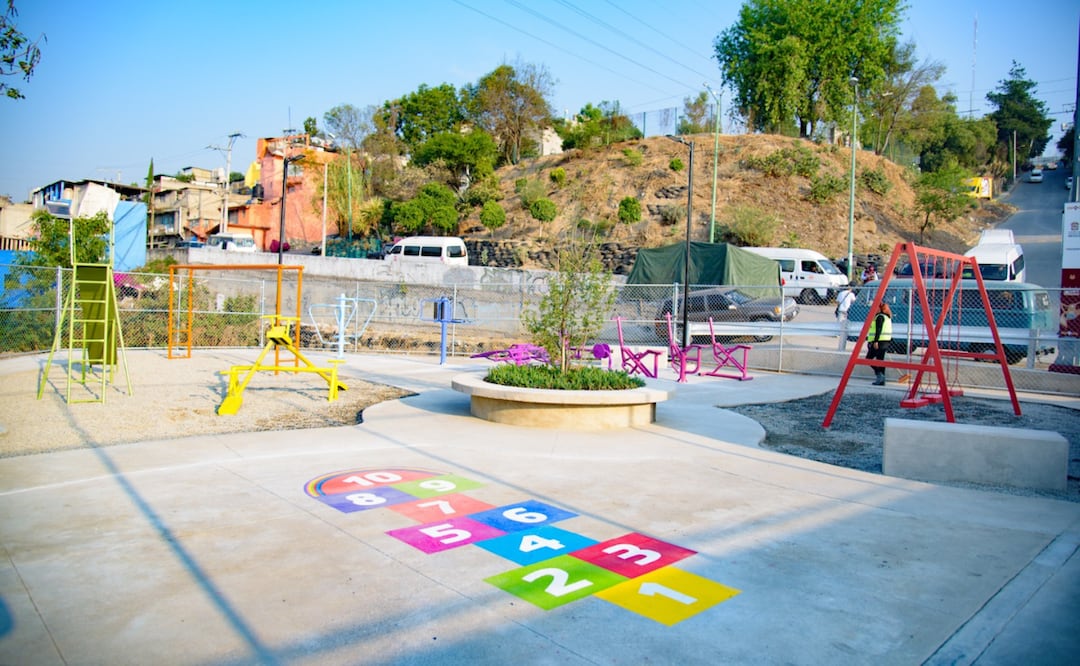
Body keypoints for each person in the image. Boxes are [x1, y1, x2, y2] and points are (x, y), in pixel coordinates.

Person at [866, 302, 892, 385]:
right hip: (885, 341)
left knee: (868, 359)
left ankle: (879, 375)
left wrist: (875, 341)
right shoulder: (887, 317)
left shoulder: (879, 317)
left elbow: (878, 329)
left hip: (878, 341)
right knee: (880, 360)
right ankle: (882, 379)